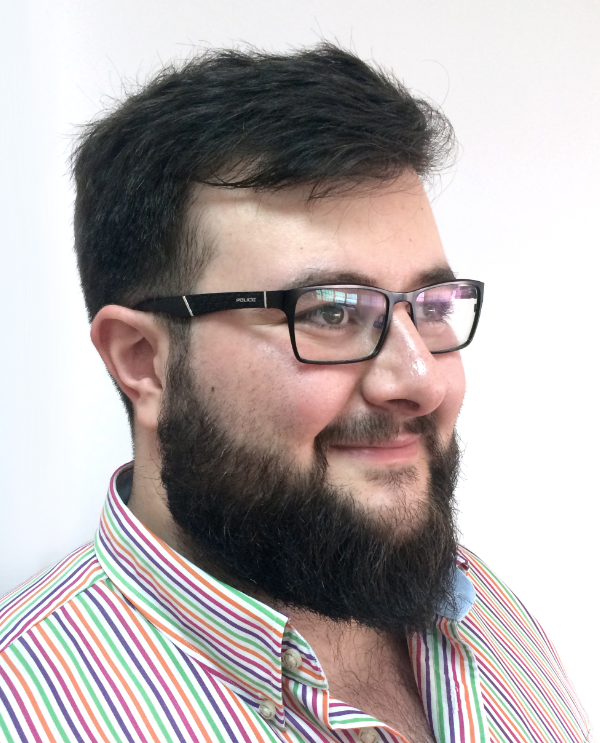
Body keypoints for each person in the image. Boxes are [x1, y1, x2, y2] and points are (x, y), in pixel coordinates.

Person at [0, 44, 593, 743]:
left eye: (430, 307)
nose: (423, 380)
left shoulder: (480, 609)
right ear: (144, 362)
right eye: (331, 312)